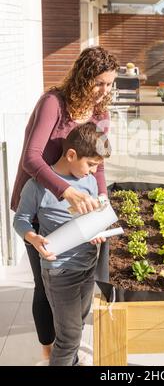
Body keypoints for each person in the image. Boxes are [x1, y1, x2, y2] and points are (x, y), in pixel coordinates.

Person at [10, 46, 118, 362]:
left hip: (79, 206)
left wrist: (101, 202)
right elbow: (31, 158)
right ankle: (50, 352)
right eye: (99, 82)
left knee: (78, 276)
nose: (104, 91)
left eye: (110, 84)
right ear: (83, 76)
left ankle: (66, 342)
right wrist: (64, 191)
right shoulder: (53, 103)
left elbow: (99, 165)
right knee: (46, 284)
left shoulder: (101, 115)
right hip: (41, 200)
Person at [14, 123, 111, 366]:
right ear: (70, 155)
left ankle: (72, 361)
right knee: (69, 337)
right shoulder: (38, 186)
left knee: (76, 324)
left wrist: (97, 228)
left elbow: (89, 218)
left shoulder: (88, 181)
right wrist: (33, 238)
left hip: (87, 267)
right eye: (90, 164)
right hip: (60, 272)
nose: (93, 172)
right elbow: (21, 219)